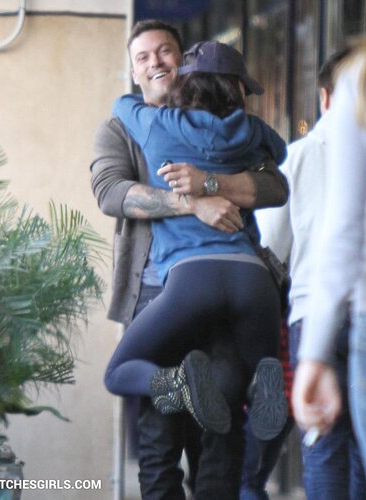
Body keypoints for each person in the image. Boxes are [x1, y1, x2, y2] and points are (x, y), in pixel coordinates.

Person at [91, 20, 289, 500]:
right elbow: (110, 192)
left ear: (184, 63)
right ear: (134, 71)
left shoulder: (177, 122)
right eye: (143, 57)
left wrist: (211, 182)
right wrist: (192, 202)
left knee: (220, 432)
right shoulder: (122, 128)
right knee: (160, 443)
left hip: (204, 292)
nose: (155, 62)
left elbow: (275, 186)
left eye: (165, 51)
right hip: (156, 291)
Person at [256, 49, 366, 499]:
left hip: (312, 312)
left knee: (324, 442)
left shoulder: (297, 156)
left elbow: (271, 246)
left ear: (324, 98)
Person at [292, 25, 366, 499]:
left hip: (357, 309)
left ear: (322, 98)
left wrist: (313, 355)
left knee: (328, 450)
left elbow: (346, 231)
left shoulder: (364, 80)